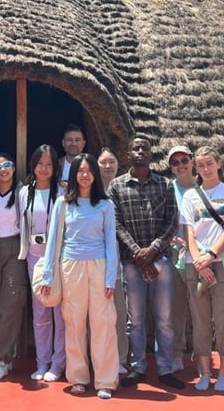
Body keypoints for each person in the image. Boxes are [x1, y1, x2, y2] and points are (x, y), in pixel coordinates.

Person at [109, 137, 186, 390]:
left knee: (164, 318)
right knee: (136, 320)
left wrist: (152, 250)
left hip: (161, 261)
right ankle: (138, 367)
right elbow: (116, 224)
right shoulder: (116, 186)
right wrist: (137, 253)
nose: (140, 151)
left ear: (151, 154)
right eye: (135, 148)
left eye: (145, 148)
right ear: (128, 153)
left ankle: (165, 368)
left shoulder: (165, 185)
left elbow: (172, 221)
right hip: (131, 264)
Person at [40, 154, 119, 399]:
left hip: (99, 266)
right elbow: (53, 240)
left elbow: (110, 242)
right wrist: (48, 275)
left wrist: (110, 277)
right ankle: (78, 377)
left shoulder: (105, 205)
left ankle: (105, 380)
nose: (85, 175)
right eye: (80, 171)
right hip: (71, 266)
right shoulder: (63, 203)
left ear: (95, 174)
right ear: (73, 174)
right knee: (74, 322)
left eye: (89, 171)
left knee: (103, 322)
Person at [179, 145, 224, 392]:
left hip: (221, 263)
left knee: (223, 320)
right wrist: (199, 261)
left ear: (219, 163)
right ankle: (205, 372)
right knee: (200, 322)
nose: (206, 169)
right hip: (195, 264)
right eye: (201, 165)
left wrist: (211, 256)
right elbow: (188, 231)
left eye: (209, 163)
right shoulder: (190, 196)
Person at [19, 144, 66, 382]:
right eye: (40, 164)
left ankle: (58, 363)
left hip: (57, 258)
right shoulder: (24, 192)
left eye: (49, 164)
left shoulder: (63, 192)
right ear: (33, 165)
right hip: (34, 257)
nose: (44, 168)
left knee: (60, 312)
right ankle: (42, 362)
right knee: (40, 313)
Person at [0, 152, 27, 381]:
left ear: (14, 168)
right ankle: (4, 355)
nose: (3, 170)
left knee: (11, 303)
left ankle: (1, 359)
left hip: (15, 247)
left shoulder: (22, 192)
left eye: (7, 165)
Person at [96, 147, 130, 375]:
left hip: (121, 260)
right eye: (103, 162)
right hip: (96, 259)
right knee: (96, 314)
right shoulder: (92, 191)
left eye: (112, 161)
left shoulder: (125, 188)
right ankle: (97, 359)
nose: (108, 166)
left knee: (119, 312)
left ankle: (120, 358)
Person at [167, 145, 195, 372]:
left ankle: (202, 354)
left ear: (192, 161)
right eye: (175, 163)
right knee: (176, 307)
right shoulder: (168, 189)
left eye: (184, 160)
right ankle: (176, 353)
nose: (181, 165)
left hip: (201, 255)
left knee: (202, 307)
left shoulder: (203, 188)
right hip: (176, 254)